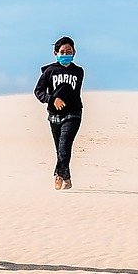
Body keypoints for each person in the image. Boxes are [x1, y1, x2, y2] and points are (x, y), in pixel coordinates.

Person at [33, 36, 85, 190]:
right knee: (60, 149)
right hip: (54, 115)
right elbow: (38, 91)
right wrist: (52, 99)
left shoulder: (78, 71)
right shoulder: (49, 71)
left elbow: (70, 91)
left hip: (74, 113)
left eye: (69, 51)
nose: (66, 53)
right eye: (62, 51)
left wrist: (62, 99)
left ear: (74, 52)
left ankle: (59, 175)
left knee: (64, 145)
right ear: (55, 53)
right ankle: (67, 176)